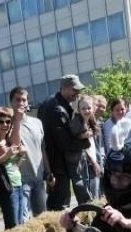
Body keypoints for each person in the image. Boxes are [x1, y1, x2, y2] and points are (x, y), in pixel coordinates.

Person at [40, 74, 92, 210]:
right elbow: (64, 142)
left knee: (59, 201)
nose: (78, 93)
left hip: (56, 160)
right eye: (75, 90)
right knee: (61, 204)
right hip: (58, 162)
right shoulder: (57, 108)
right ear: (65, 88)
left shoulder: (55, 103)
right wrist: (85, 142)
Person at [9, 86, 49, 217]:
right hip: (21, 179)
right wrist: (17, 120)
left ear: (27, 102)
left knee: (41, 217)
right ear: (11, 102)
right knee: (23, 219)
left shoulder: (37, 122)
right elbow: (15, 143)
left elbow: (42, 148)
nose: (21, 103)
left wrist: (48, 171)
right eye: (17, 100)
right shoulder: (7, 123)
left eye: (23, 100)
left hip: (38, 177)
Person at [0, 107, 27, 229]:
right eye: (0, 121)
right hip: (6, 187)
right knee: (12, 224)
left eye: (8, 121)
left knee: (20, 222)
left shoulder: (9, 140)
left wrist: (21, 156)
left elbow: (15, 166)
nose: (5, 124)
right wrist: (7, 155)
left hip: (18, 182)